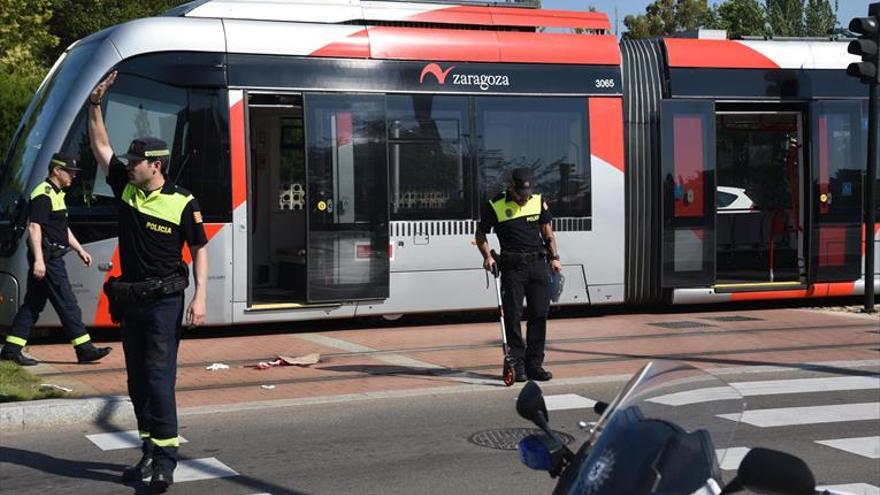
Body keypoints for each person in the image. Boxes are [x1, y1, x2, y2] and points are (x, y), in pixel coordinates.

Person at [88, 71, 208, 492]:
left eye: (135, 161)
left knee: (158, 378)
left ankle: (166, 460)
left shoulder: (182, 201)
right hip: (131, 299)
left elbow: (199, 250)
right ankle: (148, 449)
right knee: (137, 380)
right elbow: (101, 148)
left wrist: (200, 298)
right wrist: (95, 105)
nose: (128, 164)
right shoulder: (126, 189)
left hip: (164, 301)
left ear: (154, 165)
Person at [0, 154, 112, 366]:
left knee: (33, 304)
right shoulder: (43, 194)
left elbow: (60, 228)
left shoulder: (57, 194)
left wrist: (79, 250)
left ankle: (11, 350)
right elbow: (35, 227)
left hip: (50, 255)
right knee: (67, 302)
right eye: (69, 172)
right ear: (56, 171)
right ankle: (84, 349)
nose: (73, 176)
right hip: (48, 257)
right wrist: (39, 261)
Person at [475, 167, 562, 382]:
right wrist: (488, 256)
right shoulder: (495, 205)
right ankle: (517, 365)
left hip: (538, 266)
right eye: (520, 195)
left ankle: (535, 365)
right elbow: (480, 234)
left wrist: (555, 257)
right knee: (512, 317)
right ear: (511, 188)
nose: (524, 199)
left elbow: (547, 231)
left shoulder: (537, 201)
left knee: (539, 315)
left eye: (527, 194)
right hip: (512, 269)